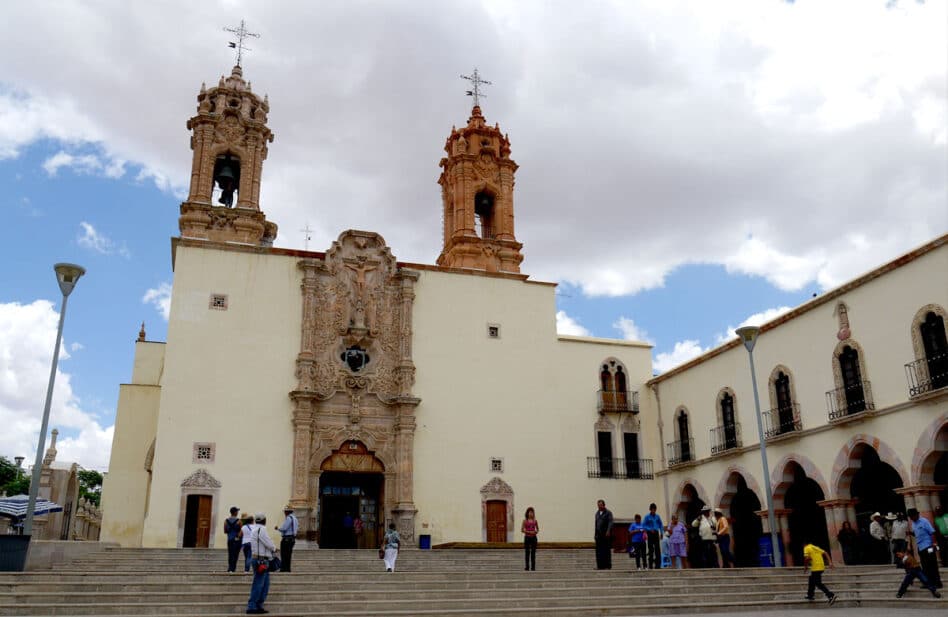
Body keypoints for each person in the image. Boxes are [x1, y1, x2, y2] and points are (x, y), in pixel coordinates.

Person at [246, 512, 277, 615]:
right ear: (264, 521)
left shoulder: (255, 529)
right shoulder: (261, 529)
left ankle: (259, 605)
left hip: (259, 559)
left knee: (264, 584)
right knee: (259, 584)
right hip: (261, 560)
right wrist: (274, 548)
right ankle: (252, 606)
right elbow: (267, 542)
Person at [907, 507, 942, 589]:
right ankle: (928, 583)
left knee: (932, 565)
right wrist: (910, 533)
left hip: (928, 546)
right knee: (925, 566)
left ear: (917, 514)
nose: (912, 518)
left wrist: (934, 544)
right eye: (910, 517)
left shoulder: (924, 521)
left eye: (913, 516)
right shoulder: (913, 524)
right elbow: (917, 535)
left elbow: (932, 532)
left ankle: (937, 583)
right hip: (921, 548)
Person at [802, 540, 838, 605]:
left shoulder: (806, 548)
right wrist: (830, 562)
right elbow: (825, 553)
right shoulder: (815, 547)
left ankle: (830, 595)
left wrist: (805, 567)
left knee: (818, 583)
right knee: (811, 579)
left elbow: (806, 558)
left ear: (804, 544)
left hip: (816, 568)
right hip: (821, 566)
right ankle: (810, 595)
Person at [275, 505, 298, 573]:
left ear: (287, 512)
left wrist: (278, 528)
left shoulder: (288, 518)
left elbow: (284, 528)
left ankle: (283, 568)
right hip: (292, 539)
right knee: (288, 555)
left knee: (284, 554)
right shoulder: (295, 518)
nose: (284, 513)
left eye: (285, 511)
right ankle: (287, 568)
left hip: (286, 539)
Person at [642, 503, 664, 569]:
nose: (653, 511)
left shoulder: (657, 516)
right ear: (650, 509)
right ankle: (650, 565)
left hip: (656, 533)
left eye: (654, 509)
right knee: (651, 549)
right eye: (652, 509)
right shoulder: (647, 517)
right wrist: (649, 529)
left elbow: (661, 524)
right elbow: (643, 525)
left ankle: (658, 565)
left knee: (657, 549)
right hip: (650, 534)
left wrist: (662, 532)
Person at [594, 499, 614, 570]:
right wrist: (595, 534)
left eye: (600, 505)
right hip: (598, 535)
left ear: (604, 505)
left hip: (606, 535)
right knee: (599, 551)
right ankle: (600, 566)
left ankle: (608, 566)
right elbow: (596, 525)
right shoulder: (597, 513)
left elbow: (610, 522)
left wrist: (608, 531)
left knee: (606, 551)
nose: (599, 506)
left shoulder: (608, 513)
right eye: (598, 505)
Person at [224, 506, 242, 573]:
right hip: (237, 540)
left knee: (230, 554)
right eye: (237, 511)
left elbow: (225, 531)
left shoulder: (226, 521)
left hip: (229, 539)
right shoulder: (239, 521)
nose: (237, 512)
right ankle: (233, 568)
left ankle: (230, 568)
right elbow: (241, 531)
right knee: (236, 554)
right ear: (235, 512)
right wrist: (238, 536)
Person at [521, 507, 539, 571]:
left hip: (534, 538)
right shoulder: (525, 521)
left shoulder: (535, 521)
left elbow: (537, 529)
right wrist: (529, 532)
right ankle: (527, 566)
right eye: (530, 512)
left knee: (533, 552)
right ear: (527, 513)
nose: (531, 514)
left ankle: (533, 567)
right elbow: (522, 530)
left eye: (532, 512)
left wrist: (535, 532)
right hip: (527, 537)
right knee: (527, 552)